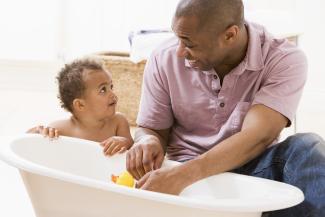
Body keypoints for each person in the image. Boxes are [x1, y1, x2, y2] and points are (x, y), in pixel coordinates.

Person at [126, 0, 325, 216]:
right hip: (182, 168)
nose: (180, 52)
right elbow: (152, 129)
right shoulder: (163, 57)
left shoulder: (284, 59)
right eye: (178, 38)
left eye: (189, 43)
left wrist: (182, 176)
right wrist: (147, 140)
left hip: (250, 170)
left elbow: (257, 137)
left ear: (230, 35)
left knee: (307, 146)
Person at [27, 58, 133, 156]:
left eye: (111, 87)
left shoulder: (118, 122)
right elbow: (29, 147)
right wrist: (38, 133)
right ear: (80, 105)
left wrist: (125, 142)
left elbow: (133, 151)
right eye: (103, 90)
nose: (113, 94)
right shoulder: (61, 129)